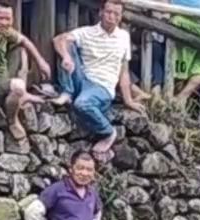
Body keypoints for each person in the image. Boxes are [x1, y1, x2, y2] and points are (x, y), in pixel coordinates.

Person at [53, 0, 137, 160]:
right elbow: (58, 40)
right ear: (101, 12)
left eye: (116, 14)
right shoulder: (87, 32)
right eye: (108, 12)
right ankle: (67, 91)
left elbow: (124, 71)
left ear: (120, 17)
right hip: (81, 80)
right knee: (66, 43)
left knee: (82, 104)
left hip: (102, 87)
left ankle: (108, 131)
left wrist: (128, 100)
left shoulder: (123, 37)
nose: (111, 17)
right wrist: (65, 56)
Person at [0, 0, 57, 142]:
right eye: (0, 18)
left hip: (4, 76)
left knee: (21, 47)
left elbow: (24, 40)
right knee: (17, 86)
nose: (4, 22)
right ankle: (12, 120)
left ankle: (23, 94)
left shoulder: (4, 30)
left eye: (7, 18)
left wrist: (41, 62)